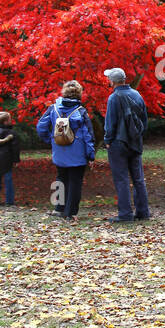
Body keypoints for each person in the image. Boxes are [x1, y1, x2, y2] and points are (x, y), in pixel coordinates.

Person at [36, 80, 96, 221]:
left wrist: (50, 139)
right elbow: (88, 135)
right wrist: (91, 155)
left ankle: (59, 208)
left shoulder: (53, 108)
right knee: (75, 181)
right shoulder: (81, 111)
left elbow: (40, 127)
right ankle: (70, 212)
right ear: (79, 93)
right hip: (77, 152)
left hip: (59, 149)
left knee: (61, 178)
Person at [103, 66, 150, 224]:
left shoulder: (114, 98)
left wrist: (108, 141)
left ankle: (125, 214)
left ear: (112, 81)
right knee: (138, 179)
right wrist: (137, 136)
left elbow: (110, 124)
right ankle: (143, 211)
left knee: (121, 179)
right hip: (135, 142)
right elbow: (144, 120)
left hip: (118, 143)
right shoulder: (137, 94)